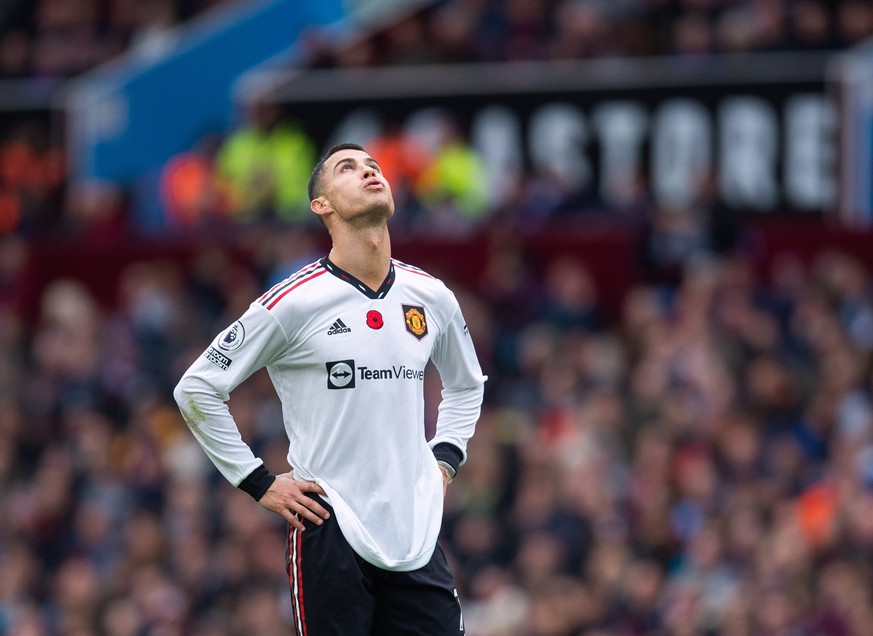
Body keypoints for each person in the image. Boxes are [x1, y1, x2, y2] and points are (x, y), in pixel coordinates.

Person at [173, 143, 487, 634]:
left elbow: (467, 385)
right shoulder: (293, 302)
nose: (368, 172)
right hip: (329, 524)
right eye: (348, 168)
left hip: (414, 532)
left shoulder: (431, 295)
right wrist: (258, 482)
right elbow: (197, 388)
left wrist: (446, 456)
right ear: (322, 205)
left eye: (374, 167)